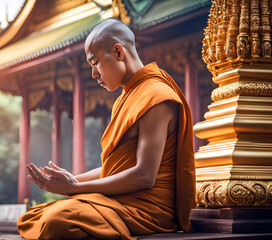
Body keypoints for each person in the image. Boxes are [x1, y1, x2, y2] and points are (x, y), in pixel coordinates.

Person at [17, 18, 196, 240]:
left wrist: (74, 189)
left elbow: (143, 176)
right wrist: (72, 179)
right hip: (120, 200)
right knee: (32, 217)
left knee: (56, 221)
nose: (94, 74)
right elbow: (113, 169)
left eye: (96, 62)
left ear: (119, 52)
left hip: (148, 208)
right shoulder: (125, 98)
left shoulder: (156, 96)